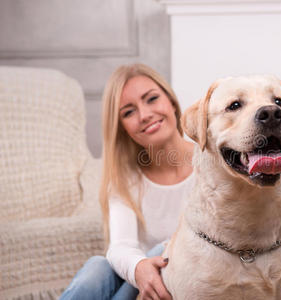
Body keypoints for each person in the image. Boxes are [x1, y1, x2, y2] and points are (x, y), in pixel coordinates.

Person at [60, 63, 195, 300]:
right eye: (128, 112)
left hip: (179, 287)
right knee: (97, 267)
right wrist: (140, 268)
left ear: (172, 102)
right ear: (122, 128)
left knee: (162, 251)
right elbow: (120, 246)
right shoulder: (126, 179)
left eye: (152, 99)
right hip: (138, 287)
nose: (144, 115)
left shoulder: (213, 163)